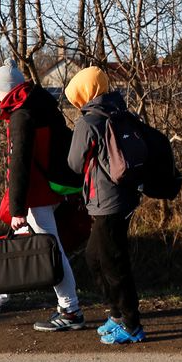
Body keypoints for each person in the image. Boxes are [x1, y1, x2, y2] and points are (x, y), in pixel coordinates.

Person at [0, 60, 86, 332]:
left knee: (51, 251)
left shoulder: (21, 116)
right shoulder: (42, 107)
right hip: (49, 188)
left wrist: (18, 208)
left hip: (36, 193)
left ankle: (71, 309)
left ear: (7, 89)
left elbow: (19, 164)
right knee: (25, 245)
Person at [65, 66, 145, 345]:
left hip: (106, 202)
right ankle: (118, 314)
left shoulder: (88, 122)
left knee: (112, 264)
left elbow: (74, 164)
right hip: (124, 197)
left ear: (83, 94)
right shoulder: (120, 110)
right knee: (96, 257)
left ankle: (132, 324)